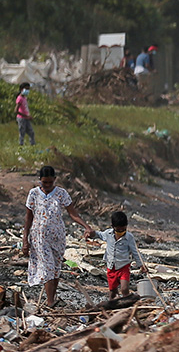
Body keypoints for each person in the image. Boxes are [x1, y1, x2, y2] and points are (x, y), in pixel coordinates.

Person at [22, 166, 94, 307]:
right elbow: (28, 218)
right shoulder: (34, 194)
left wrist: (87, 227)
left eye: (50, 182)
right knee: (48, 267)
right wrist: (25, 239)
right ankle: (50, 303)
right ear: (40, 181)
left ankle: (52, 299)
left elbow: (73, 214)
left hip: (58, 237)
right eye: (45, 182)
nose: (48, 185)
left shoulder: (61, 193)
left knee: (55, 269)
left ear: (55, 180)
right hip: (39, 237)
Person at [93, 211, 148, 299]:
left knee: (124, 289)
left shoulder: (129, 237)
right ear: (113, 227)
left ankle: (127, 303)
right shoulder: (108, 234)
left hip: (123, 266)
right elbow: (98, 234)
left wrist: (141, 265)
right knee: (113, 291)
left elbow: (135, 252)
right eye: (118, 230)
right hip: (111, 267)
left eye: (123, 229)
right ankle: (112, 305)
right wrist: (91, 233)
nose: (121, 232)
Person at [16, 82, 36, 147]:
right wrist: (26, 116)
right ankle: (20, 145)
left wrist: (28, 116)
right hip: (21, 118)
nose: (27, 91)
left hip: (26, 118)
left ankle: (33, 145)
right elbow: (16, 110)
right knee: (22, 133)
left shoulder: (24, 98)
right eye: (26, 89)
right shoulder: (19, 98)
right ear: (22, 89)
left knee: (31, 132)